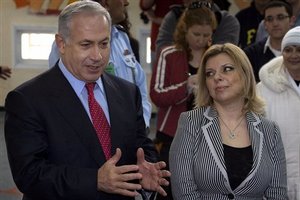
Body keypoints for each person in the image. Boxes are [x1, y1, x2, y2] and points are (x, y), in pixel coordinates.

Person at [4, 1, 170, 200]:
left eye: (104, 43)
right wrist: (95, 180)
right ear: (61, 44)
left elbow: (141, 145)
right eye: (86, 44)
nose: (97, 56)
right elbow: (29, 174)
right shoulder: (27, 100)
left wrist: (144, 168)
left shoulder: (127, 92)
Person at [169, 43, 288, 199]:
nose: (217, 77)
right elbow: (184, 193)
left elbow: (277, 194)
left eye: (227, 69)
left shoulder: (270, 130)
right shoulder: (190, 122)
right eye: (209, 73)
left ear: (245, 75)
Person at [49, 0, 152, 130]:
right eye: (86, 45)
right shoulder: (67, 44)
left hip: (128, 131)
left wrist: (142, 125)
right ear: (106, 3)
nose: (126, 3)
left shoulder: (121, 37)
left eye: (104, 44)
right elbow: (58, 93)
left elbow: (139, 86)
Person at [150, 2, 217, 200]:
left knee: (204, 189)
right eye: (196, 34)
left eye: (207, 35)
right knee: (168, 190)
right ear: (184, 30)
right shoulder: (168, 53)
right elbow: (157, 95)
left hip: (207, 133)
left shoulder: (214, 55)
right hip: (171, 135)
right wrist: (186, 86)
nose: (202, 40)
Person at [256, 26, 300, 199]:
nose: (294, 55)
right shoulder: (263, 91)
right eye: (288, 50)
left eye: (299, 49)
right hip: (277, 184)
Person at [155, 0, 240, 53]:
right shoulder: (173, 17)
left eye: (206, 35)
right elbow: (162, 49)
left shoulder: (227, 21)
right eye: (196, 34)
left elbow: (223, 54)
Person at [244, 0, 295, 82]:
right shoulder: (250, 54)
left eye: (280, 17)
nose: (275, 23)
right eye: (269, 19)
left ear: (291, 20)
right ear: (264, 24)